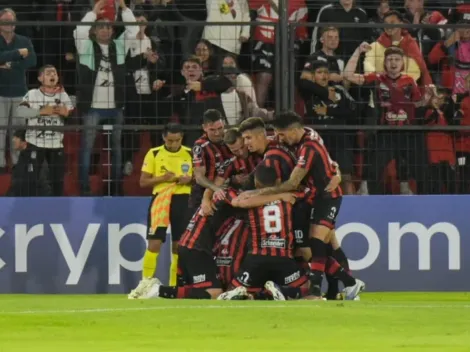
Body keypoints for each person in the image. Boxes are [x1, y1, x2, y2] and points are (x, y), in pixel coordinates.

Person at [247, 111, 364, 300]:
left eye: (282, 134)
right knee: (322, 245)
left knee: (319, 243)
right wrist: (336, 171)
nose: (279, 137)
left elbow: (293, 183)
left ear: (293, 131)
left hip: (327, 197)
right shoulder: (300, 137)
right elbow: (329, 160)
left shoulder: (309, 146)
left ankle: (321, 290)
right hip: (313, 198)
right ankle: (345, 287)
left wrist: (261, 192)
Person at [345, 44, 433, 195]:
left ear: (402, 63)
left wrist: (428, 97)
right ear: (384, 63)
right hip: (384, 133)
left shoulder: (409, 81)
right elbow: (348, 76)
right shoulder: (377, 78)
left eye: (397, 59)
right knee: (373, 169)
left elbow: (417, 104)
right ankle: (368, 196)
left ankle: (411, 196)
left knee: (414, 168)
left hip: (405, 133)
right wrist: (357, 51)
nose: (393, 63)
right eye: (390, 59)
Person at [73, 0, 139, 195]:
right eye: (100, 27)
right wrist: (93, 12)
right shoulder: (85, 47)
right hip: (93, 106)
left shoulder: (119, 47)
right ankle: (84, 187)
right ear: (94, 30)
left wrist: (124, 9)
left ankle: (117, 185)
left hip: (116, 106)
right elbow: (79, 31)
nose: (105, 30)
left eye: (108, 27)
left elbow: (133, 32)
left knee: (117, 149)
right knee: (87, 147)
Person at [217, 165, 310, 300]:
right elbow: (308, 192)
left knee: (235, 289)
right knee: (306, 288)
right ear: (278, 181)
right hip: (283, 258)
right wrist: (281, 194)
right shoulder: (290, 197)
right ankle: (280, 292)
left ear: (256, 182)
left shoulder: (249, 200)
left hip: (256, 258)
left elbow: (235, 199)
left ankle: (248, 294)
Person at [128, 123, 192, 299]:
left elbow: (198, 179)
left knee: (178, 246)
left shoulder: (190, 153)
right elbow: (143, 182)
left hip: (183, 200)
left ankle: (173, 286)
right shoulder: (154, 153)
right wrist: (162, 178)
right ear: (164, 138)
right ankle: (145, 283)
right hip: (161, 199)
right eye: (170, 140)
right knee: (154, 243)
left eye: (177, 140)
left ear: (182, 138)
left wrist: (189, 180)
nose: (173, 144)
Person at [298, 60, 355, 194]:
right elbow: (301, 82)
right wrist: (324, 93)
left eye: (326, 73)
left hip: (340, 138)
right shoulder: (308, 92)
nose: (323, 76)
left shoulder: (339, 90)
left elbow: (353, 111)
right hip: (320, 139)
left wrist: (329, 111)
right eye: (319, 73)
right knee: (320, 176)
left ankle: (352, 208)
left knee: (346, 175)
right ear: (312, 76)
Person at [16, 65, 74, 196]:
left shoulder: (63, 95)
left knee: (57, 181)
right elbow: (20, 111)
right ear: (40, 78)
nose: (52, 75)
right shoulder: (32, 94)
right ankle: (29, 208)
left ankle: (56, 209)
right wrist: (40, 112)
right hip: (35, 143)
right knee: (30, 180)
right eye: (48, 73)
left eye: (54, 73)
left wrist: (66, 112)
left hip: (56, 143)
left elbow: (70, 112)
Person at [0, 8, 36, 174]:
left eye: (11, 20)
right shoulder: (20, 46)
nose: (9, 23)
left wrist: (9, 62)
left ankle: (17, 162)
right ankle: (0, 164)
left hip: (19, 92)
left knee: (18, 129)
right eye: (5, 20)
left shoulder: (24, 40)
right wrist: (17, 54)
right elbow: (22, 57)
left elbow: (32, 60)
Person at [192, 109, 233, 215]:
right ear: (204, 128)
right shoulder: (200, 146)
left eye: (220, 128)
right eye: (212, 130)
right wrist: (216, 188)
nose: (217, 133)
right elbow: (199, 177)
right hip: (203, 193)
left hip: (227, 191)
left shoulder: (230, 139)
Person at [7, 129, 41, 196]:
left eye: (16, 138)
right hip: (19, 194)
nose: (13, 140)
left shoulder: (33, 155)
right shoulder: (23, 153)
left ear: (24, 142)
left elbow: (30, 179)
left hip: (29, 196)